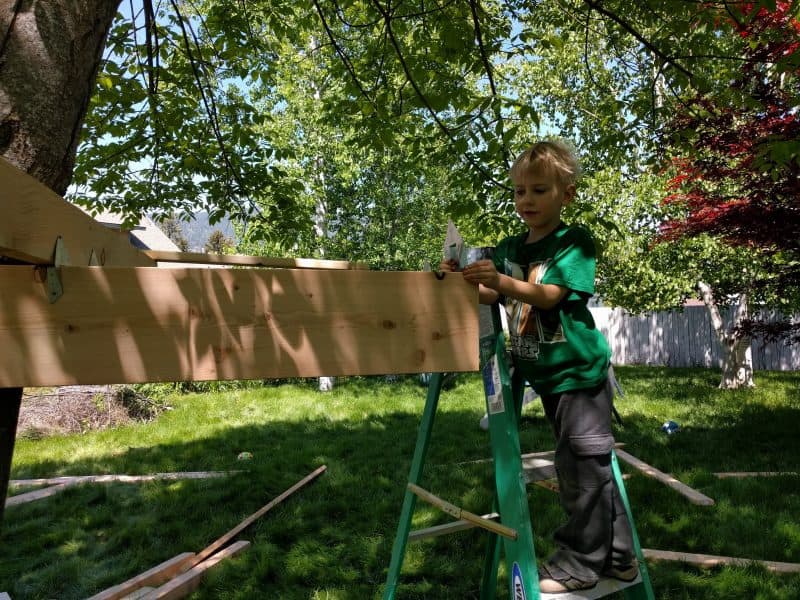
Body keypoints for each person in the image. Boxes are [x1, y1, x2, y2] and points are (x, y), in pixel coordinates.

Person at [439, 140, 637, 593]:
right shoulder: (511, 246)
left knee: (582, 472)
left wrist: (502, 279)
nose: (525, 200)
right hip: (547, 377)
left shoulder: (574, 242)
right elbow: (495, 294)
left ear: (566, 194)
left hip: (580, 376)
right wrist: (465, 276)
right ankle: (621, 558)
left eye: (539, 190)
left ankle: (580, 564)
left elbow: (551, 295)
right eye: (519, 192)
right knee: (591, 469)